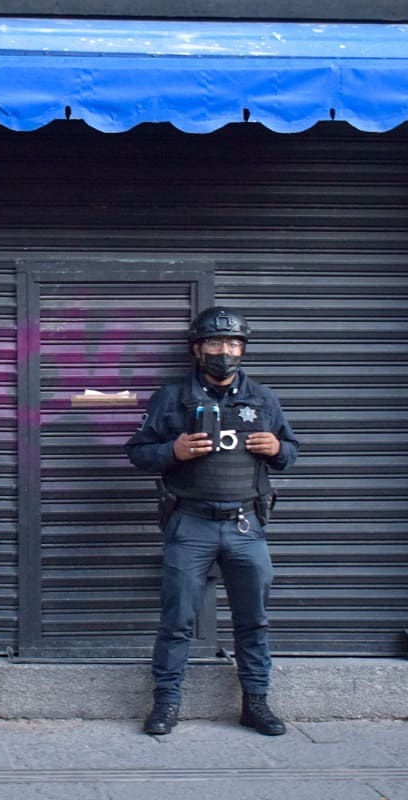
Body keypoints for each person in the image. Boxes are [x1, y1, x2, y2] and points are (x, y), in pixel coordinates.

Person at [125, 306, 298, 737]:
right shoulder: (170, 398)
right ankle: (166, 704)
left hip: (246, 526)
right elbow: (137, 452)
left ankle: (255, 703)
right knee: (177, 619)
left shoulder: (263, 398)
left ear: (243, 349)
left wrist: (276, 447)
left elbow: (291, 454)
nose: (225, 351)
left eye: (233, 343)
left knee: (253, 620)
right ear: (197, 348)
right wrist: (173, 452)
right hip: (190, 524)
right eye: (215, 343)